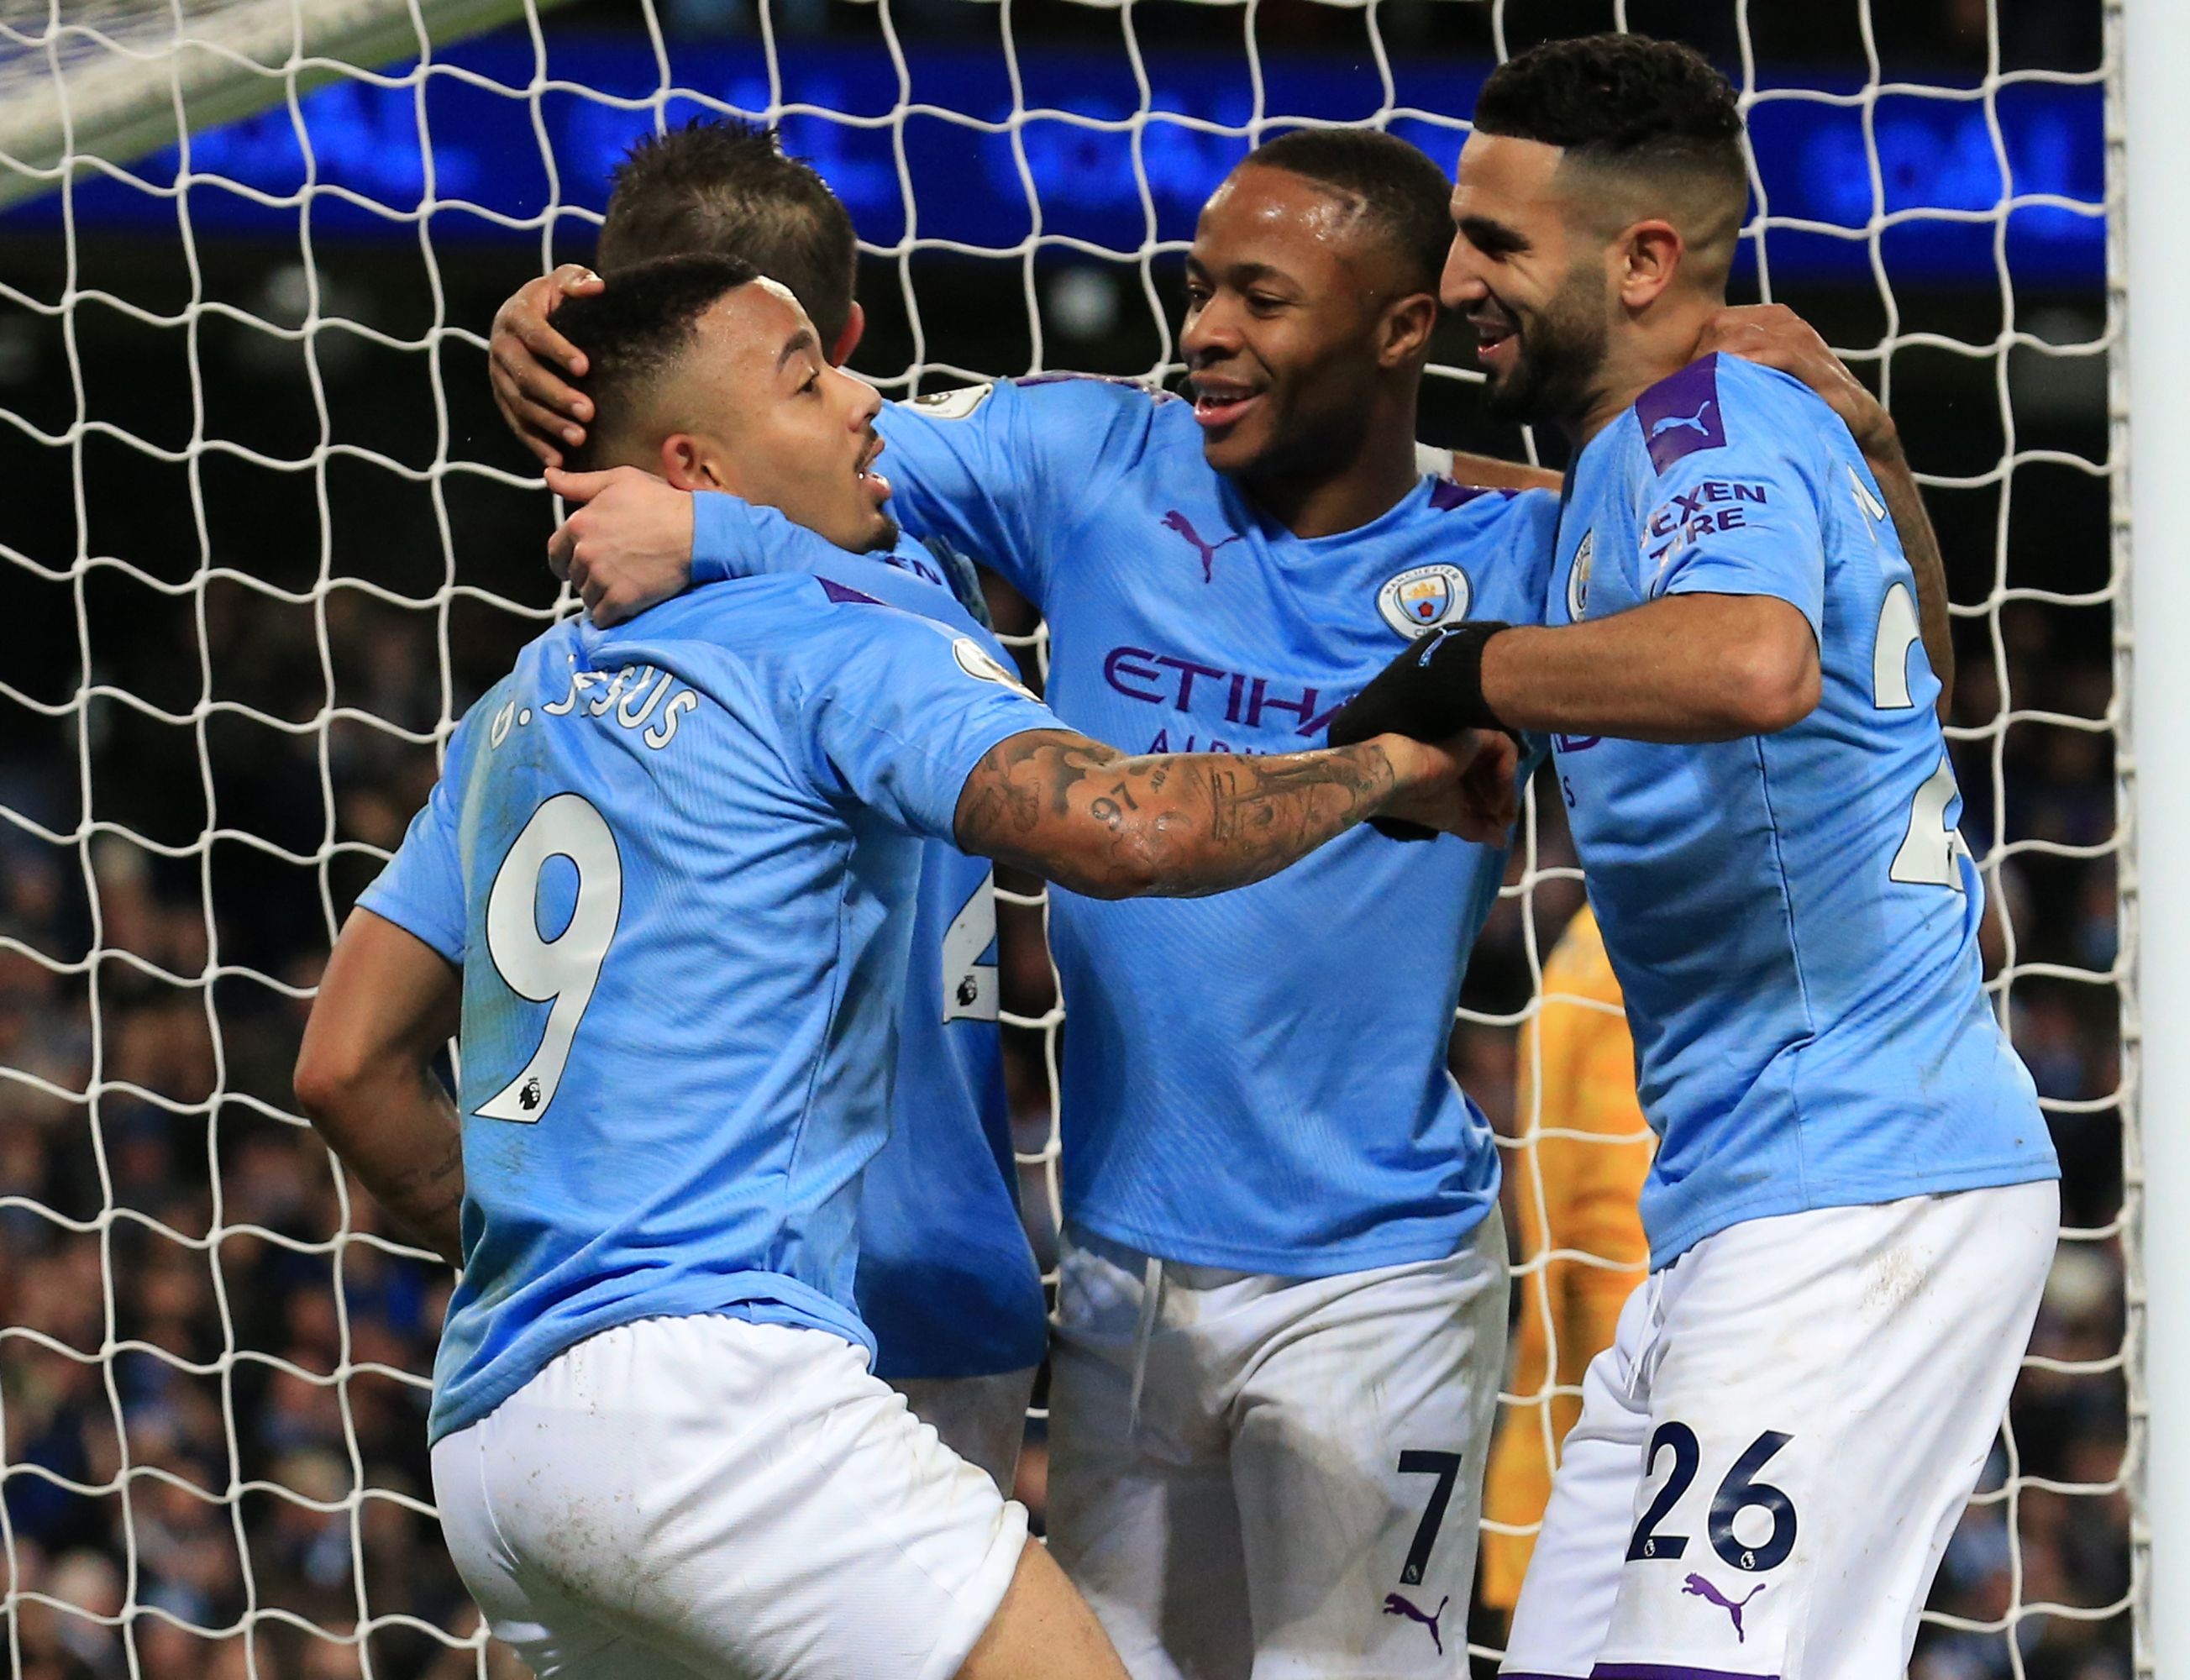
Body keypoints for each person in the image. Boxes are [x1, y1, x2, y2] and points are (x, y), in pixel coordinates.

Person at [291, 253, 1516, 1680]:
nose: (864, 399)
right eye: (808, 377)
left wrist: (574, 1284)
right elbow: (1129, 829)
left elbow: (343, 1066)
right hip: (718, 1389)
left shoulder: (521, 705)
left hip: (499, 1437)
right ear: (697, 468)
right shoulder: (841, 637)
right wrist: (1390, 767)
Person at [1330, 35, 2062, 1680]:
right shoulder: (1672, 457)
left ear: (1645, 260)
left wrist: (1469, 670)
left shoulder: (1695, 438)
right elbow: (1907, 690)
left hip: (1857, 1192)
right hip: (1751, 1196)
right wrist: (1878, 449)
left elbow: (1757, 662)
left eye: (1497, 243)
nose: (1456, 282)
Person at [520, 121, 1048, 1488]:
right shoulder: (922, 579)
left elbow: (346, 1063)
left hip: (625, 1307)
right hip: (925, 1281)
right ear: (849, 335)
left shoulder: (566, 668)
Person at [1478, 905, 1653, 1617]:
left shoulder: (1591, 940)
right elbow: (1611, 1237)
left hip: (1563, 1449)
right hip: (1632, 1431)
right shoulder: (1647, 942)